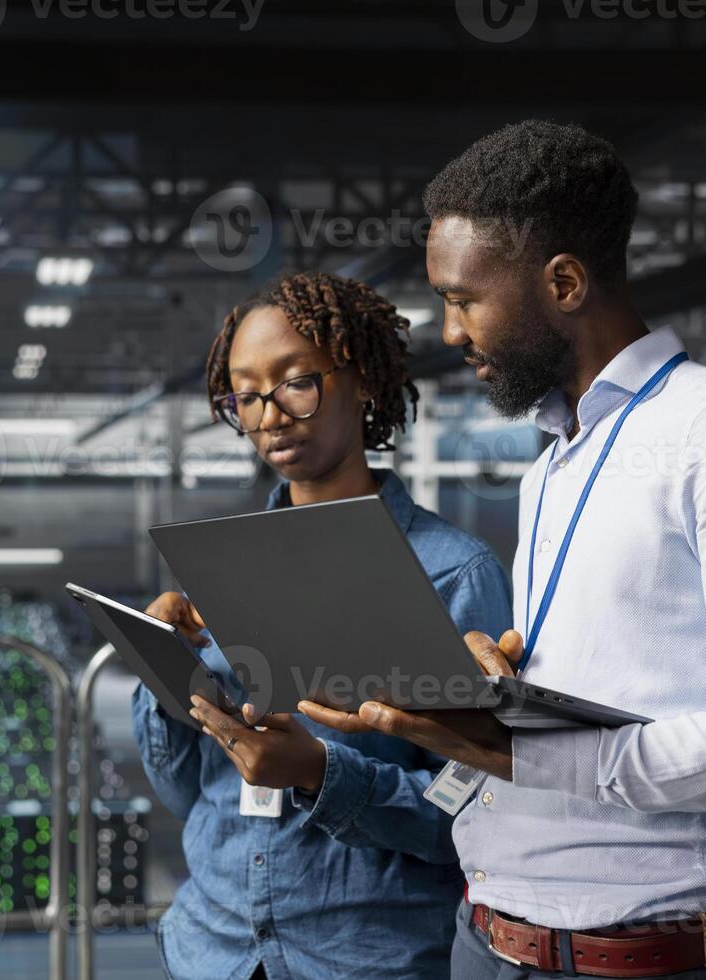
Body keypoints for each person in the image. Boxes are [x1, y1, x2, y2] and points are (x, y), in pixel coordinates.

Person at [303, 121, 706, 978]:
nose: (449, 333)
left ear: (562, 282)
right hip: (488, 935)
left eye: (463, 299)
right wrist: (489, 690)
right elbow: (609, 682)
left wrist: (526, 748)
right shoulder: (555, 460)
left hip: (632, 958)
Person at [132, 271, 513, 979]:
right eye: (245, 396)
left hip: (362, 957)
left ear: (362, 379)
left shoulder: (454, 575)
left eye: (295, 382)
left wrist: (322, 775)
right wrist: (164, 666)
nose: (269, 414)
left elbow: (479, 812)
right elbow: (189, 793)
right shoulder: (220, 567)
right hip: (214, 947)